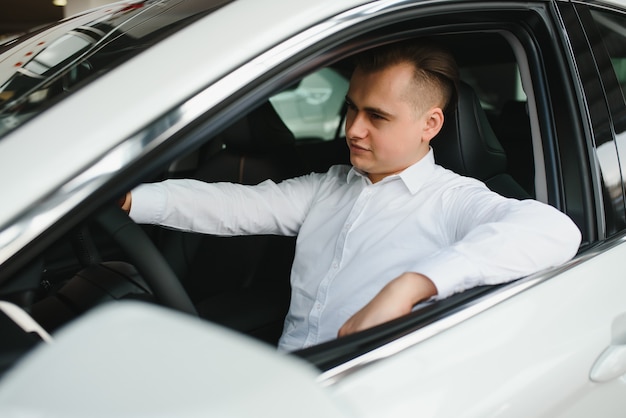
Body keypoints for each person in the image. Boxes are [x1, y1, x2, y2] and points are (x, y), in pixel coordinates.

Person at [122, 39, 582, 352]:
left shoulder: (454, 200)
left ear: (431, 125)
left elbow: (553, 231)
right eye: (351, 109)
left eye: (377, 117)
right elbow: (236, 207)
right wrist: (129, 198)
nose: (353, 129)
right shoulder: (329, 185)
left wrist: (410, 286)